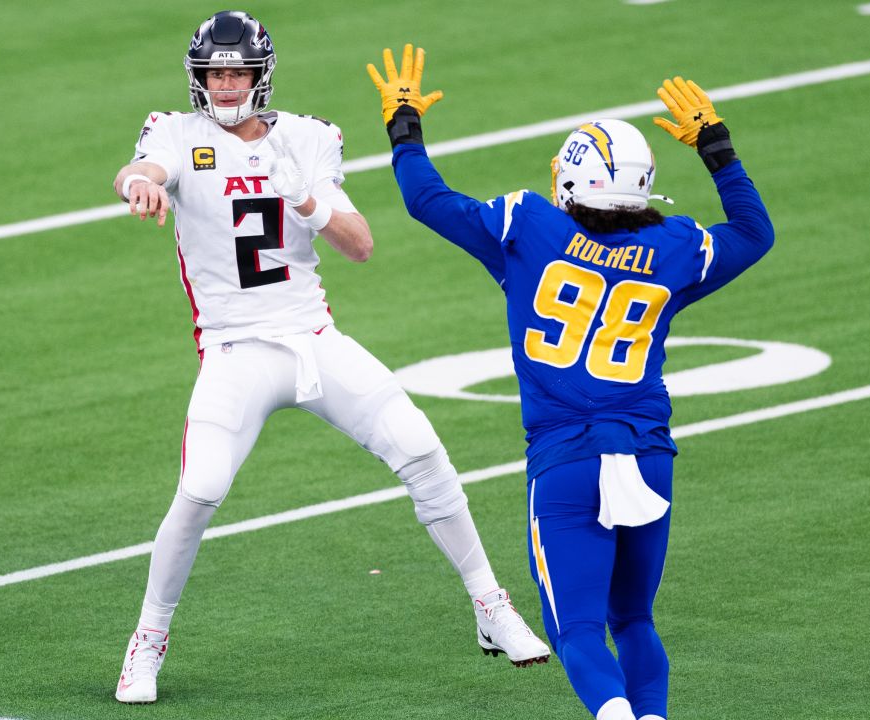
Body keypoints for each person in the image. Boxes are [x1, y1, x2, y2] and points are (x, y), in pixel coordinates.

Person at [110, 13, 550, 704]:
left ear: (261, 75)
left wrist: (307, 199)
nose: (224, 86)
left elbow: (360, 244)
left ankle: (491, 607)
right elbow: (142, 167)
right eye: (213, 73)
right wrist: (139, 185)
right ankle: (147, 641)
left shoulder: (308, 138)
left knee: (422, 450)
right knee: (199, 490)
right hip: (234, 347)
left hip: (312, 336)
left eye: (236, 72)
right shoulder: (175, 131)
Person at [368, 45, 774, 720]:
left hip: (566, 459)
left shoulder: (529, 225)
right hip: (647, 453)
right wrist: (717, 147)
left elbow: (425, 198)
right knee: (635, 621)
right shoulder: (674, 248)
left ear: (573, 182)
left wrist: (404, 126)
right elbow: (753, 233)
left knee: (578, 630)